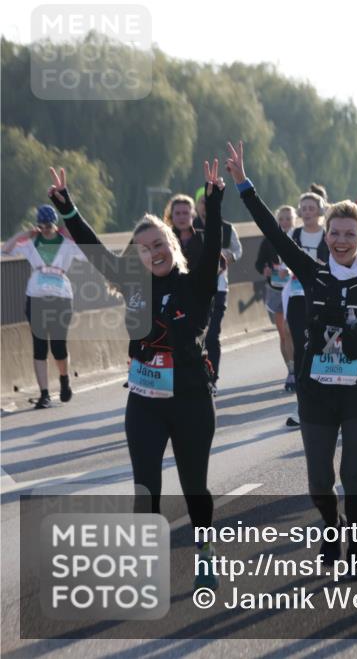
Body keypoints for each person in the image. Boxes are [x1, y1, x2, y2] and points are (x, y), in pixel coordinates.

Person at [230, 141, 357, 567]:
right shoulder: (311, 271)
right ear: (326, 237)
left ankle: (356, 547)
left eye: (349, 234)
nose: (341, 241)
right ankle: (332, 526)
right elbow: (270, 230)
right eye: (334, 234)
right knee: (320, 482)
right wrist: (244, 185)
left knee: (353, 478)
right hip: (316, 391)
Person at [48, 161, 225, 589]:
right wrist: (68, 208)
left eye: (158, 242)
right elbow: (92, 249)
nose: (153, 251)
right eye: (144, 247)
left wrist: (215, 204)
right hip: (144, 402)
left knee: (194, 487)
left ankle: (204, 551)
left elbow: (214, 238)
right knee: (145, 487)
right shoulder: (131, 283)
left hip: (190, 400)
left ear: (172, 242)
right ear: (138, 255)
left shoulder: (196, 282)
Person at [2, 205, 86, 408]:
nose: (46, 229)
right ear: (38, 225)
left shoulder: (67, 243)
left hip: (61, 298)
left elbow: (89, 252)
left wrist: (73, 232)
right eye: (42, 225)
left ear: (55, 224)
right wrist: (25, 233)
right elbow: (6, 249)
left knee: (58, 346)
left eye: (49, 225)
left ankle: (64, 380)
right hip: (36, 297)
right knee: (40, 346)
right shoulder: (31, 243)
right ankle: (44, 394)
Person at [283, 189, 329, 426]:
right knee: (301, 350)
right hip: (297, 296)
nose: (308, 212)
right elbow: (285, 260)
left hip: (321, 297)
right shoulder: (294, 233)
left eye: (312, 208)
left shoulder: (329, 235)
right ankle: (303, 407)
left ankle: (327, 401)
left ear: (320, 211)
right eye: (304, 208)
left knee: (322, 348)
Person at [193, 185, 243, 389]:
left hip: (219, 288)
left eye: (209, 202)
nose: (205, 206)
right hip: (194, 289)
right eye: (203, 202)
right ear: (197, 205)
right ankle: (195, 377)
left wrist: (227, 258)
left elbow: (238, 251)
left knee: (213, 336)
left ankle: (212, 379)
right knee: (195, 336)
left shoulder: (227, 228)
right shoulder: (190, 228)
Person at [254, 204, 297, 389]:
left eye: (288, 218)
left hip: (296, 290)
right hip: (276, 291)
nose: (285, 222)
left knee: (292, 332)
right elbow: (258, 263)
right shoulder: (269, 240)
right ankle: (291, 371)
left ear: (294, 220)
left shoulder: (298, 238)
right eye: (281, 219)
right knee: (283, 334)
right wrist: (265, 269)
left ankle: (298, 369)